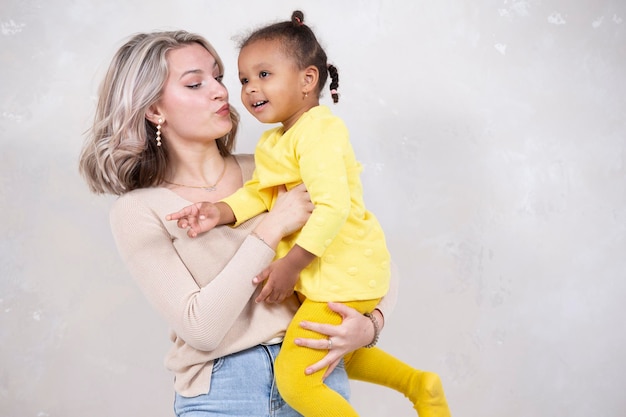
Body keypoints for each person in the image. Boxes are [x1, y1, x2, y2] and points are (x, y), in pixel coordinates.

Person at [78, 29, 405, 417]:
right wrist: (272, 227)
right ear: (154, 110)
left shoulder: (274, 166)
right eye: (196, 83)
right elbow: (201, 329)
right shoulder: (140, 210)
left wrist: (371, 327)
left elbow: (367, 253)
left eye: (218, 78)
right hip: (223, 393)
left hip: (312, 374)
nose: (221, 91)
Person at [167, 11, 451, 417]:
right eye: (245, 79)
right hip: (325, 281)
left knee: (297, 380)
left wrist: (292, 265)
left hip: (343, 273)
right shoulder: (273, 142)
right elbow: (261, 194)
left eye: (264, 74)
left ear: (307, 80)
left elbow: (332, 208)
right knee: (334, 353)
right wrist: (221, 212)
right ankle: (419, 385)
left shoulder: (320, 131)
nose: (249, 90)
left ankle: (417, 387)